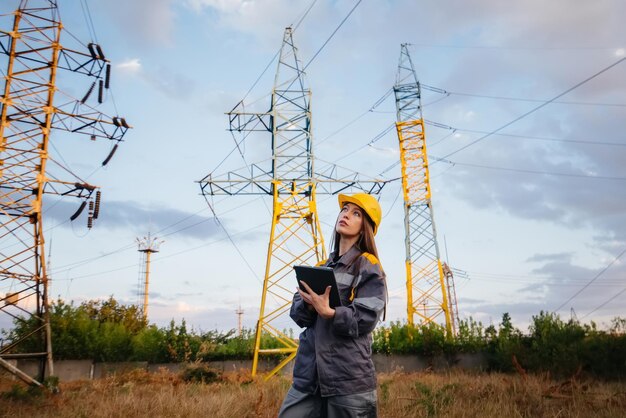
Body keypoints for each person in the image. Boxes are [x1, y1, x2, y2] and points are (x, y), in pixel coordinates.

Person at [278, 193, 387, 418]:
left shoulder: (368, 265)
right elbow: (298, 313)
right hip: (309, 378)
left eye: (356, 213)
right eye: (344, 210)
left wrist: (330, 312)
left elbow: (366, 317)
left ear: (365, 226)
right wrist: (310, 306)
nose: (346, 215)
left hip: (348, 379)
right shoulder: (320, 267)